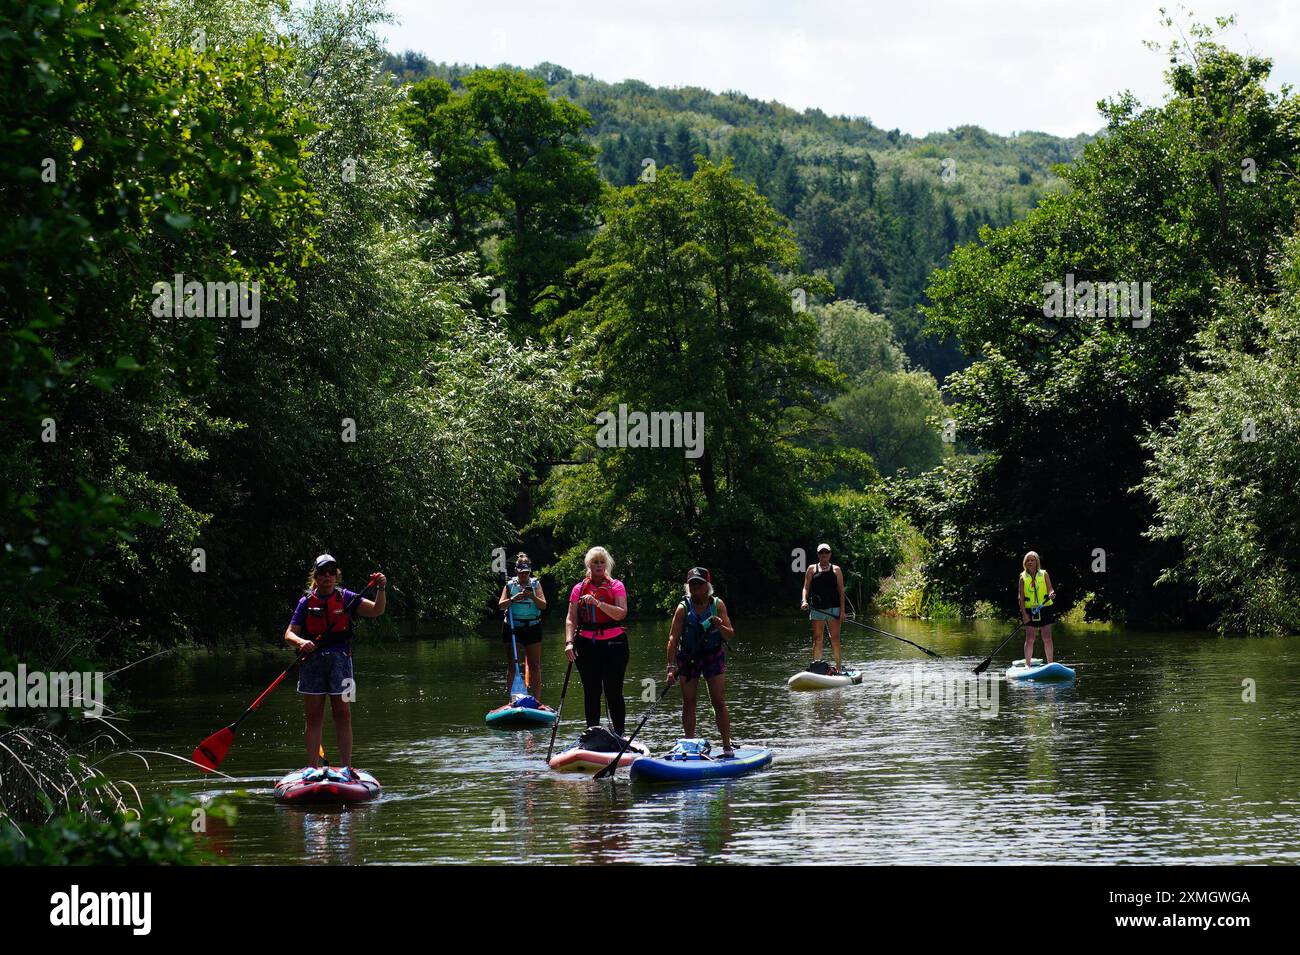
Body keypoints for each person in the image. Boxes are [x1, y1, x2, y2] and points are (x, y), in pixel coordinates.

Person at [283, 554, 386, 781]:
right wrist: (301, 642)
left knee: (344, 715)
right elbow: (289, 634)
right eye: (323, 572)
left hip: (342, 663)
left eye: (331, 571)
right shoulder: (306, 602)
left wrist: (381, 588)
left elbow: (377, 610)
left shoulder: (347, 597)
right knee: (313, 717)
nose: (327, 576)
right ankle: (311, 766)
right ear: (316, 576)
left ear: (336, 574)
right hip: (312, 664)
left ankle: (347, 767)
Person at [665, 567, 735, 755]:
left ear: (707, 587)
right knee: (689, 702)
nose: (696, 588)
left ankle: (727, 745)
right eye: (692, 584)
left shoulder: (718, 605)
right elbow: (672, 639)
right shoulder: (683, 608)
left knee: (718, 702)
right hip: (689, 657)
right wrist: (670, 668)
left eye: (700, 584)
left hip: (713, 655)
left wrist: (719, 625)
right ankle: (688, 746)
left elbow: (729, 635)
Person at [564, 547, 629, 733]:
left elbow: (621, 613)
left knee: (613, 691)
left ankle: (619, 734)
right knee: (591, 692)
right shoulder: (579, 588)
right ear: (589, 565)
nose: (599, 565)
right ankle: (592, 733)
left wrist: (598, 603)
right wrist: (569, 642)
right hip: (586, 644)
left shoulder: (616, 585)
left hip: (614, 643)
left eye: (602, 562)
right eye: (595, 562)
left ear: (606, 565)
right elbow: (571, 618)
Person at [496, 552, 547, 699]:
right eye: (521, 572)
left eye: (526, 572)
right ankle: (513, 701)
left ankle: (537, 701)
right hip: (513, 628)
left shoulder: (536, 584)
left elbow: (543, 606)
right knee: (512, 665)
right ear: (517, 571)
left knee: (535, 665)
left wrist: (532, 596)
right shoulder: (510, 585)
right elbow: (500, 605)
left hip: (533, 627)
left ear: (529, 571)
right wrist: (513, 598)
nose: (524, 575)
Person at [800, 543, 845, 674]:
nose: (824, 555)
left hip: (833, 609)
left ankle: (839, 668)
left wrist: (842, 611)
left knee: (835, 639)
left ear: (830, 554)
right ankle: (816, 669)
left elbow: (841, 591)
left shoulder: (836, 569)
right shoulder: (811, 569)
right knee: (817, 639)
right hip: (817, 609)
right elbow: (806, 587)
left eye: (826, 552)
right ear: (818, 555)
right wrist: (804, 600)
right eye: (821, 553)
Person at [1019, 551, 1057, 666]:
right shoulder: (1022, 577)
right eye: (1028, 560)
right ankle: (1028, 665)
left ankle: (1050, 663)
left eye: (1032, 560)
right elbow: (1021, 596)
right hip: (1031, 610)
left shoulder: (1044, 574)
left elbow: (1050, 588)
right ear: (1025, 563)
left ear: (1037, 562)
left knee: (1047, 637)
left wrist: (1051, 593)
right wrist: (1024, 614)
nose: (1030, 562)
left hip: (1045, 607)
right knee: (1030, 638)